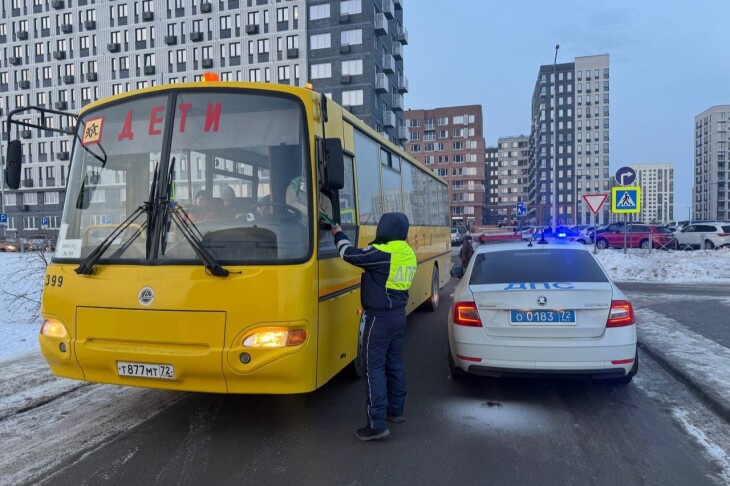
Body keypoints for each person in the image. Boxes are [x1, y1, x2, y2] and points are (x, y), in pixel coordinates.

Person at [330, 212, 417, 441]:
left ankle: (376, 424)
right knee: (395, 364)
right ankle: (395, 412)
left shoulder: (382, 253)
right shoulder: (407, 252)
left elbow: (349, 254)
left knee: (373, 369)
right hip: (399, 316)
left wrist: (337, 233)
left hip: (378, 319)